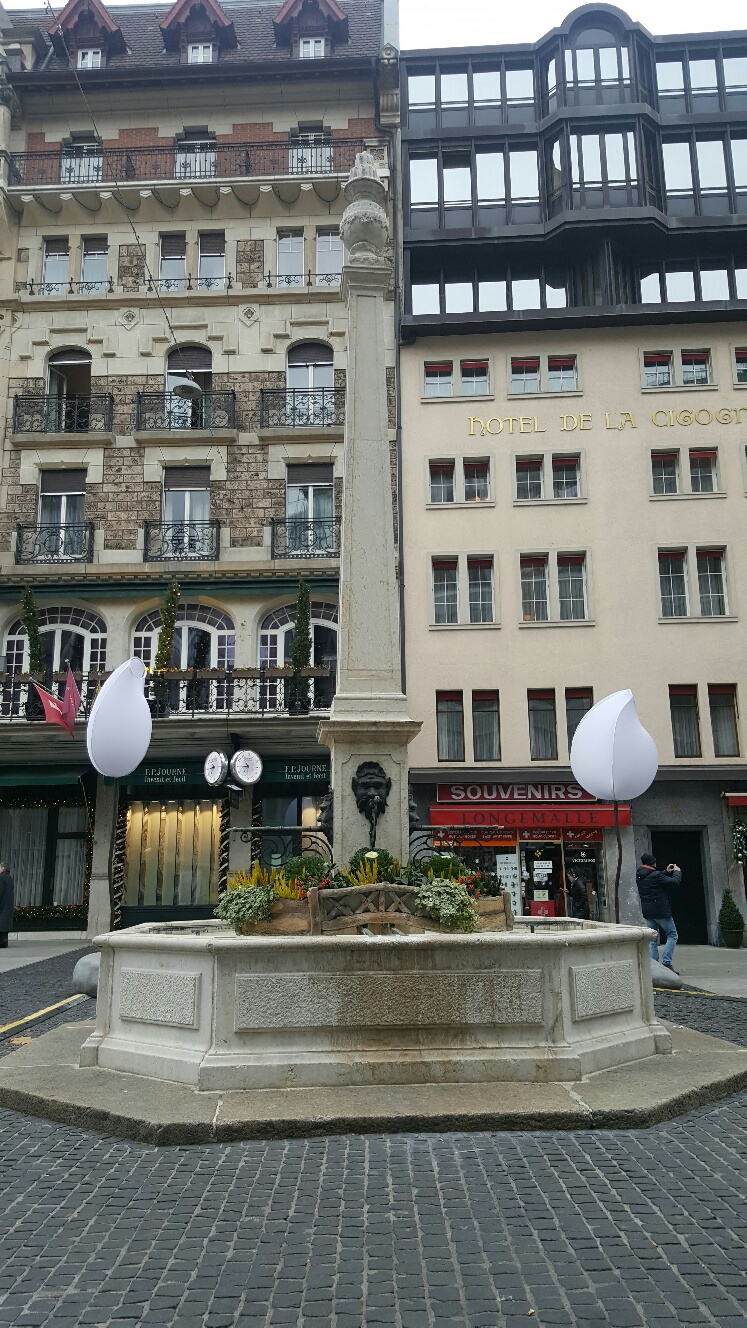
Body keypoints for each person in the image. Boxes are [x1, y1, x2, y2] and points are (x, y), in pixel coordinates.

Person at [636, 852, 681, 972]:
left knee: (652, 939)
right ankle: (666, 963)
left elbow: (654, 877)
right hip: (660, 911)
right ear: (653, 863)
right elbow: (674, 882)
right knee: (672, 935)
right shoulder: (655, 875)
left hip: (648, 911)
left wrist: (666, 871)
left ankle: (654, 966)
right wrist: (677, 872)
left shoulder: (640, 874)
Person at [0, 862, 14, 949]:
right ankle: (4, 942)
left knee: (1, 923)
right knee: (4, 924)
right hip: (8, 904)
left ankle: (2, 942)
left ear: (3, 868)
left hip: (2, 904)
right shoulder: (9, 878)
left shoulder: (1, 878)